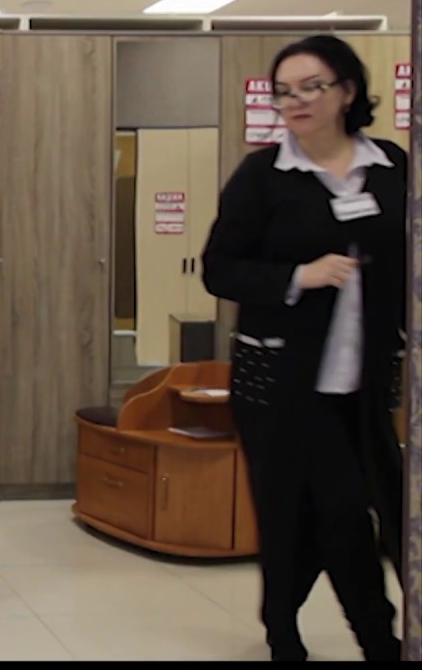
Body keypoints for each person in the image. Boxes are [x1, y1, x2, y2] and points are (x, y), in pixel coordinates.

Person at [201, 34, 405, 662]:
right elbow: (219, 269)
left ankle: (279, 622)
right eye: (284, 91)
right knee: (339, 510)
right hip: (281, 382)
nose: (296, 101)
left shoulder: (392, 166)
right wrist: (298, 276)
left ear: (347, 91)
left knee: (318, 517)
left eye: (312, 87)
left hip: (364, 380)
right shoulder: (263, 177)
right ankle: (378, 640)